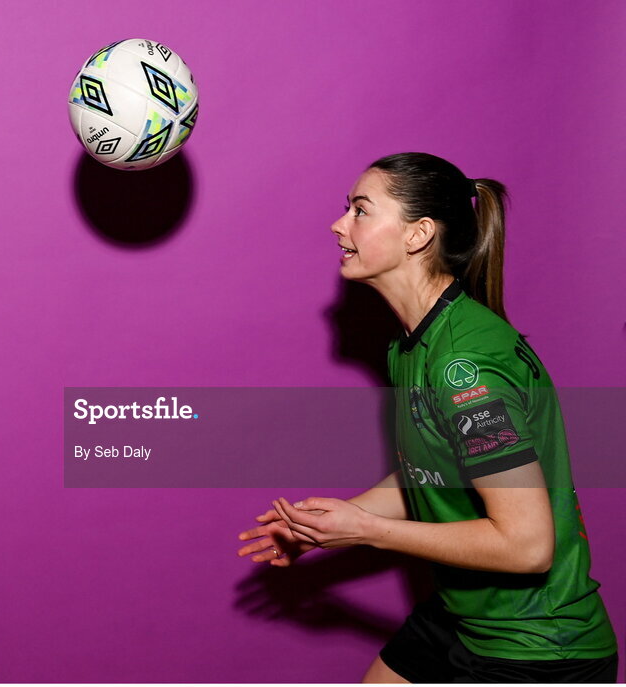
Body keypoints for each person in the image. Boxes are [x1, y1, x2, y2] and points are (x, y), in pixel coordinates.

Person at [237, 153, 618, 682]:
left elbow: (527, 546)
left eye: (360, 210)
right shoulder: (412, 346)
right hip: (463, 616)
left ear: (417, 235)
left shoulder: (465, 365)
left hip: (535, 647)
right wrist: (324, 525)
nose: (339, 223)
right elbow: (434, 470)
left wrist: (368, 532)